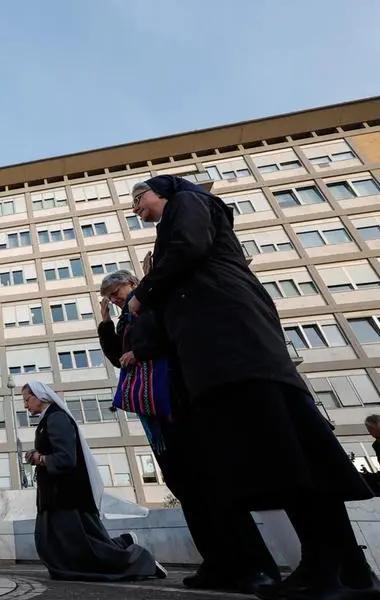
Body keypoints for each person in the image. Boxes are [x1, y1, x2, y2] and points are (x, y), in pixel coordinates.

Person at [128, 174, 378, 599]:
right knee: (290, 454)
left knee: (286, 455)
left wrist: (144, 294)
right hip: (237, 353)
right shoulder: (190, 233)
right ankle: (344, 570)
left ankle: (329, 571)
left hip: (234, 350)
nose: (135, 206)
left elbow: (187, 248)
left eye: (139, 196)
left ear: (165, 191)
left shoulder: (186, 204)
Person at [97, 270, 281, 592]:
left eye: (116, 291)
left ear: (132, 283)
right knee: (187, 490)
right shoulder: (126, 319)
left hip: (181, 404)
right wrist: (105, 323)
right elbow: (117, 357)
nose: (113, 299)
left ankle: (255, 565)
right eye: (109, 296)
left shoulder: (154, 302)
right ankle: (218, 563)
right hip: (158, 416)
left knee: (214, 485)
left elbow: (175, 334)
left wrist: (140, 353)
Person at [22, 380, 168, 582]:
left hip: (64, 497)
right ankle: (125, 542)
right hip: (56, 497)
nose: (25, 405)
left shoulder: (56, 418)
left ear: (39, 396)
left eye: (26, 399)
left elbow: (66, 458)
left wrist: (40, 458)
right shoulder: (49, 419)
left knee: (80, 550)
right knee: (71, 546)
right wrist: (38, 455)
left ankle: (141, 561)